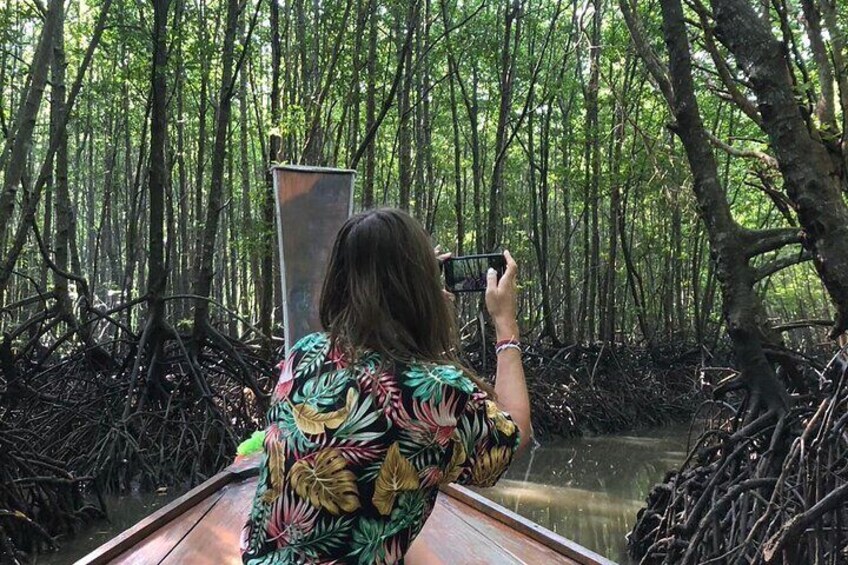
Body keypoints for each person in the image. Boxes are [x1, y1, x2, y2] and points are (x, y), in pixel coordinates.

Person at [240, 208, 532, 565]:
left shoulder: (303, 354)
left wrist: (415, 315)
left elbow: (392, 389)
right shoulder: (438, 391)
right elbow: (514, 432)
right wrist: (505, 324)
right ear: (421, 288)